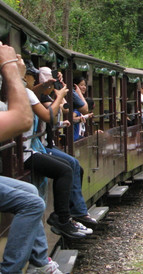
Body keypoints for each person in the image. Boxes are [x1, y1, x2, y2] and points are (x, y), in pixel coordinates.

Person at [0, 39, 62, 273]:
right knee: (32, 201)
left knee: (31, 192)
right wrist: (10, 68)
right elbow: (20, 118)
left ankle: (40, 262)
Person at [22, 64, 91, 239]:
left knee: (71, 166)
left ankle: (69, 215)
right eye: (34, 77)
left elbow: (36, 93)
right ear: (26, 76)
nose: (36, 81)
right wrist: (59, 96)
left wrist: (51, 86)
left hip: (32, 148)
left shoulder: (24, 91)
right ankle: (63, 218)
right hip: (29, 150)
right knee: (66, 169)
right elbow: (49, 116)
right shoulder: (26, 93)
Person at [37, 67, 98, 228]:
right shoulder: (41, 98)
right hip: (40, 146)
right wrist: (62, 95)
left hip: (47, 144)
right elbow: (62, 110)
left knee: (76, 166)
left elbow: (76, 107)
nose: (53, 83)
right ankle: (72, 213)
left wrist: (67, 89)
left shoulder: (51, 96)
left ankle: (75, 210)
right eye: (50, 80)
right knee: (70, 166)